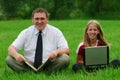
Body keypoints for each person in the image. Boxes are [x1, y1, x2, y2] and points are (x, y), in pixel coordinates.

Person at [6, 8, 70, 73]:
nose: (39, 22)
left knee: (65, 59)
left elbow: (66, 50)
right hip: (29, 64)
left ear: (47, 19)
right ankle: (33, 72)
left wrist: (56, 52)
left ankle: (43, 72)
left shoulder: (56, 32)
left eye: (42, 19)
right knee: (9, 59)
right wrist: (17, 56)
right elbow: (11, 49)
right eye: (36, 19)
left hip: (48, 63)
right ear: (32, 20)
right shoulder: (26, 32)